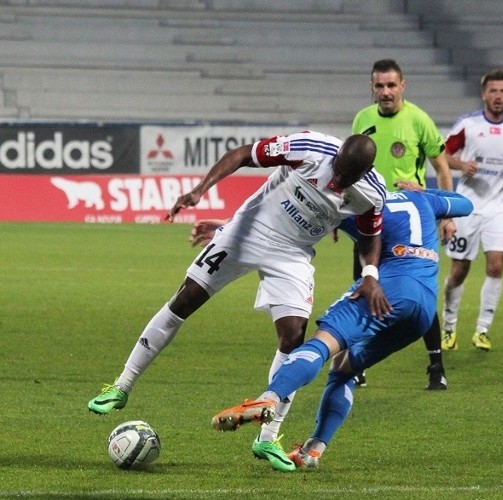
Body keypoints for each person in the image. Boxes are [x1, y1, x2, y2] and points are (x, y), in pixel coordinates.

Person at [88, 131, 389, 473]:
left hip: (292, 255)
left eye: (345, 179)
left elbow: (371, 235)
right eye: (335, 171)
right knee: (184, 300)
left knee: (294, 338)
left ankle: (268, 435)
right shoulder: (310, 147)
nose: (336, 181)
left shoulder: (372, 193)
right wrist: (199, 190)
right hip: (248, 231)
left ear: (364, 173)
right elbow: (244, 153)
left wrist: (370, 273)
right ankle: (122, 386)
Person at [209, 187, 474, 471]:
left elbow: (303, 218)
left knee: (322, 344)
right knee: (345, 368)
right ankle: (313, 450)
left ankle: (268, 399)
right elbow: (466, 204)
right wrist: (432, 200)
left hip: (386, 289)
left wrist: (229, 226)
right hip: (423, 306)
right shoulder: (426, 199)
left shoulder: (365, 205)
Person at [351, 58, 455, 390]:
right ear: (371, 87)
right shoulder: (362, 119)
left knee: (420, 293)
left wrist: (445, 213)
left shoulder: (419, 120)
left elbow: (443, 169)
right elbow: (350, 168)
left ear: (402, 86)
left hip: (411, 219)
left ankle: (436, 367)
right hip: (371, 216)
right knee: (362, 288)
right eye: (379, 86)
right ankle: (358, 365)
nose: (385, 92)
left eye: (391, 85)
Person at [439, 68, 503, 352]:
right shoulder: (467, 125)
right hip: (467, 206)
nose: (498, 96)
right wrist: (460, 165)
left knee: (496, 265)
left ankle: (482, 330)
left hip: (499, 208)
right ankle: (449, 327)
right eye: (493, 91)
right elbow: (442, 154)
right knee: (459, 270)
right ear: (484, 94)